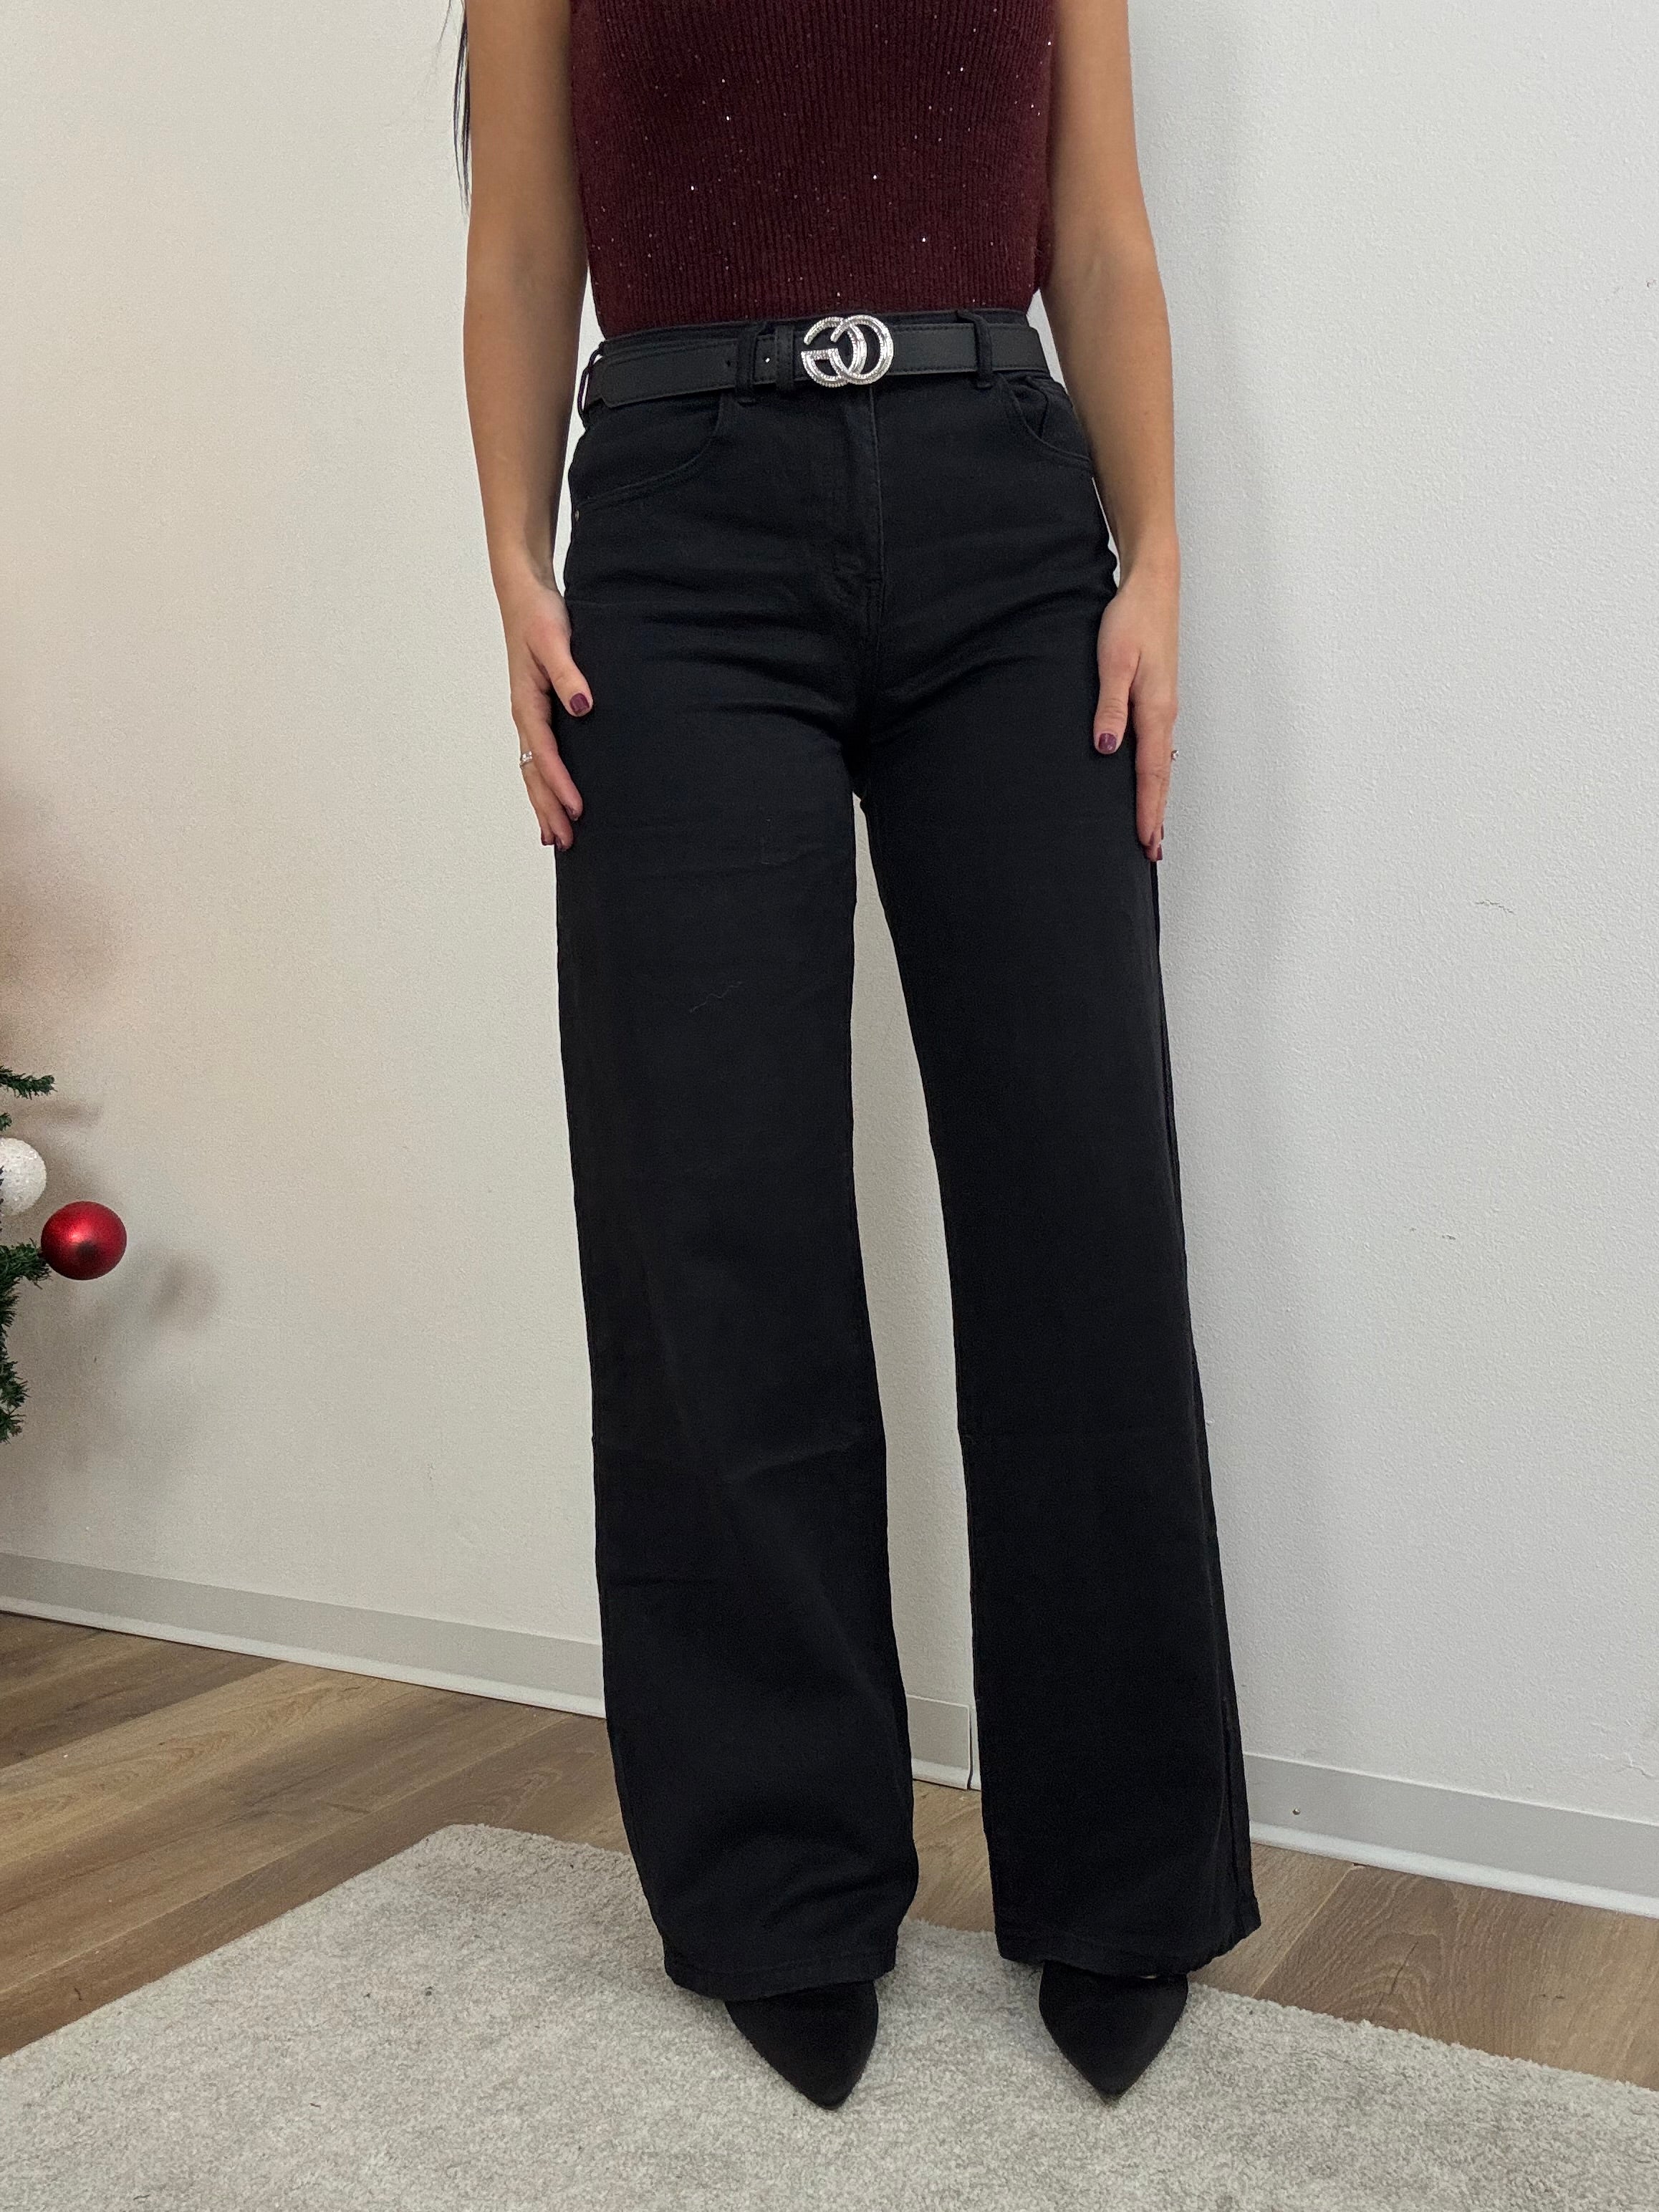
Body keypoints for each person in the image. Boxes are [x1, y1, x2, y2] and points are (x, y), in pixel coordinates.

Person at [456, 0, 1261, 2110]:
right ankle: (780, 1884)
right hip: (677, 541)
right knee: (711, 1213)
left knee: (1080, 1198)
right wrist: (509, 559)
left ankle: (1122, 1873)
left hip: (1009, 522)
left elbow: (1097, 230)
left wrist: (1158, 559)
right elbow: (524, 239)